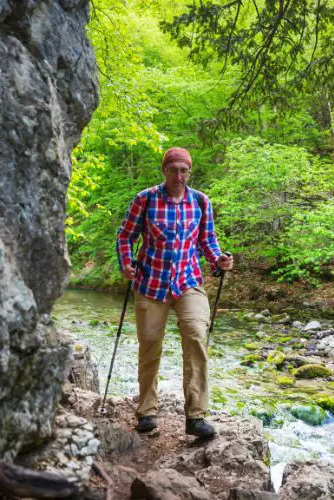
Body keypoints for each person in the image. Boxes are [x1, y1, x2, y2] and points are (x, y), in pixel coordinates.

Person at [116, 147, 233, 438]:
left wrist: (219, 259)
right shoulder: (145, 200)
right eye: (173, 169)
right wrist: (126, 264)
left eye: (184, 170)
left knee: (195, 335)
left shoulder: (200, 201)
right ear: (164, 170)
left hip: (188, 280)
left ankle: (196, 416)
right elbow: (125, 237)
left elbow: (208, 241)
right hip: (150, 282)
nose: (179, 175)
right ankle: (146, 412)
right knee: (150, 344)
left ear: (189, 172)